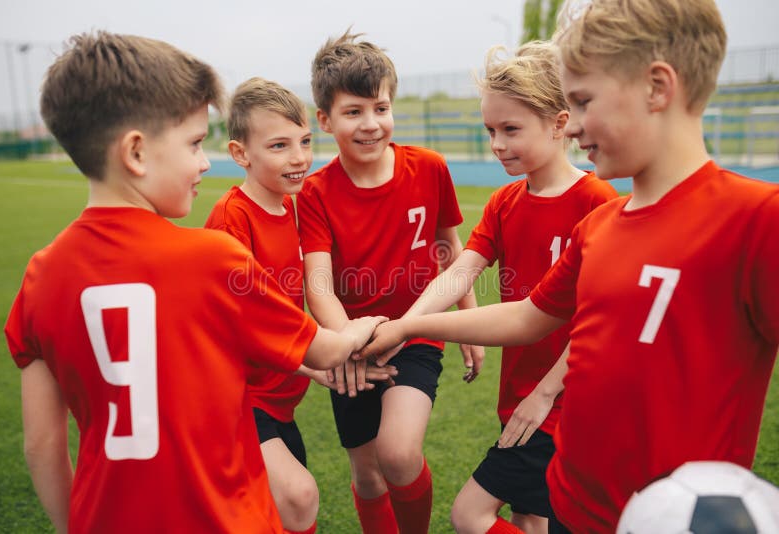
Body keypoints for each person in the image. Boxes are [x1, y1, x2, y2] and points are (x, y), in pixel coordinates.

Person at [360, 1, 779, 532]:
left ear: (657, 87)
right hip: (575, 503)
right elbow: (526, 317)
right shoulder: (601, 229)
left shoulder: (755, 220)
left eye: (583, 102)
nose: (573, 125)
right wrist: (411, 326)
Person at [4, 31, 385, 534]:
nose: (204, 162)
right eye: (192, 144)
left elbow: (43, 445)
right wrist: (375, 325)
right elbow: (325, 351)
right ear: (136, 153)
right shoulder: (212, 257)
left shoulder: (39, 277)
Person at [391, 41, 617, 534]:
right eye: (490, 130)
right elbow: (458, 272)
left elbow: (602, 314)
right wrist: (403, 326)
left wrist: (546, 393)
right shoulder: (504, 201)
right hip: (518, 393)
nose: (497, 143)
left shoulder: (596, 199)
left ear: (559, 124)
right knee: (530, 516)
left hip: (563, 401)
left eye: (511, 129)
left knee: (471, 514)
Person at [296, 30, 480, 534]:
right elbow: (319, 286)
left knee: (397, 454)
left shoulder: (429, 168)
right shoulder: (314, 193)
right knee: (368, 474)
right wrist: (346, 345)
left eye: (380, 107)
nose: (371, 124)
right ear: (325, 120)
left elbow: (451, 248)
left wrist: (468, 318)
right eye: (353, 112)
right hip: (351, 343)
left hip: (416, 330)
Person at [204, 77, 396, 534]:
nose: (298, 157)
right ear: (240, 154)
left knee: (281, 514)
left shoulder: (295, 208)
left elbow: (291, 311)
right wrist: (335, 347)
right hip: (235, 399)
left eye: (305, 141)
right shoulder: (233, 218)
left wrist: (314, 369)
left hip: (279, 399)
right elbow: (239, 325)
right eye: (278, 146)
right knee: (299, 495)